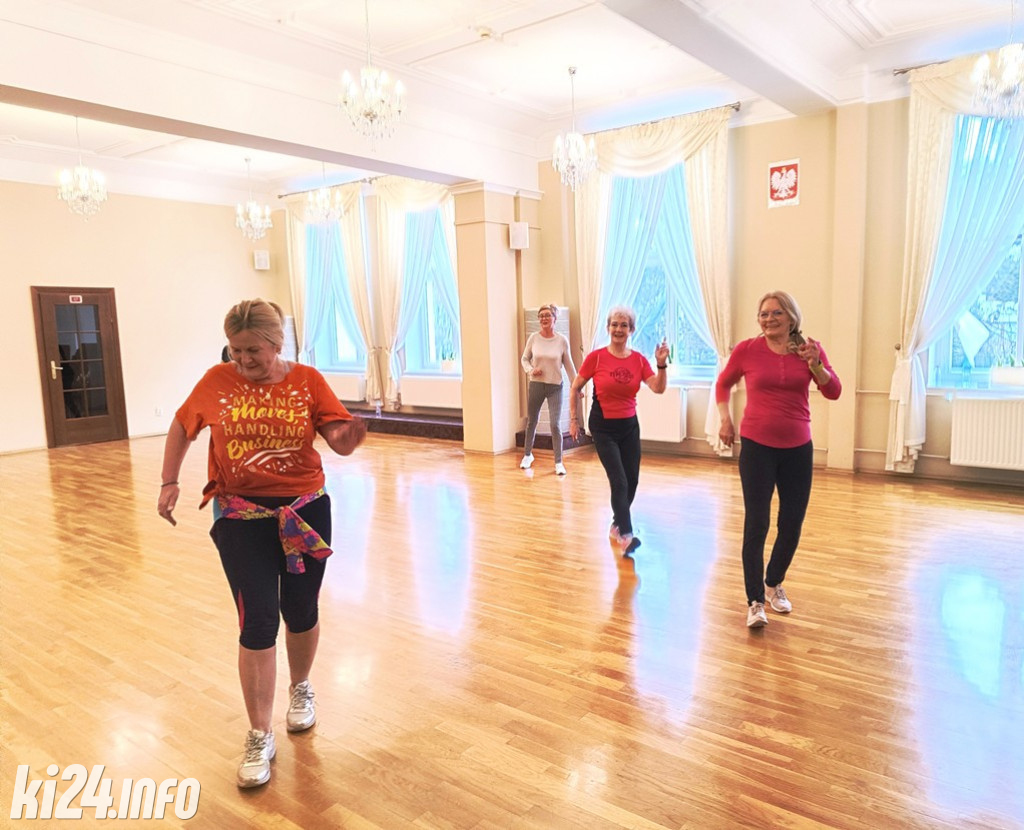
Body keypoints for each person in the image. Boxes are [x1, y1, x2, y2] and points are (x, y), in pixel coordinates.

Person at [157, 298, 367, 788]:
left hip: (305, 511)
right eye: (236, 351)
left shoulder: (308, 380)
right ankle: (258, 733)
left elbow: (334, 436)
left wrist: (348, 435)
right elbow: (182, 425)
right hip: (241, 516)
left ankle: (301, 689)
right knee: (257, 619)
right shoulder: (216, 380)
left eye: (254, 351)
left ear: (277, 344)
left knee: (301, 608)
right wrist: (169, 481)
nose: (244, 361)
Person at [715, 290, 842, 629]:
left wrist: (816, 364)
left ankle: (774, 583)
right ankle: (755, 600)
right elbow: (723, 384)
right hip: (757, 446)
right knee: (757, 523)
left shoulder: (808, 350)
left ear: (791, 318)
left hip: (798, 449)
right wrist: (725, 419)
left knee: (791, 525)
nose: (768, 319)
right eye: (764, 314)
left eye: (776, 314)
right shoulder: (747, 350)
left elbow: (833, 391)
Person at [569, 306, 670, 555]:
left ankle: (617, 524)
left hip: (629, 426)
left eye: (623, 325)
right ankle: (626, 534)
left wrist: (661, 365)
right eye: (614, 324)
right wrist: (573, 419)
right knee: (619, 480)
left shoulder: (638, 360)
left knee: (632, 480)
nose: (618, 329)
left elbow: (657, 388)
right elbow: (575, 388)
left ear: (631, 330)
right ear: (608, 328)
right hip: (603, 426)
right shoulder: (597, 358)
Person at [520, 304, 577, 475]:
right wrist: (531, 370)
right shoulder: (533, 338)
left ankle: (558, 462)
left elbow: (569, 366)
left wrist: (577, 386)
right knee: (532, 421)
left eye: (547, 315)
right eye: (541, 316)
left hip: (555, 387)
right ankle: (527, 455)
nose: (544, 318)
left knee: (555, 424)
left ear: (554, 318)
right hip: (536, 385)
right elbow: (524, 359)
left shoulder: (561, 341)